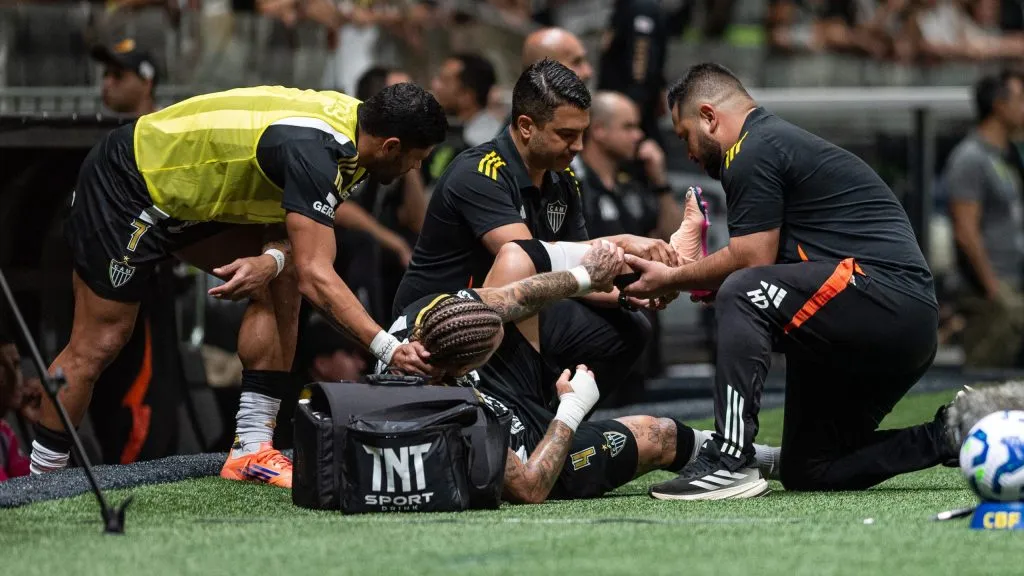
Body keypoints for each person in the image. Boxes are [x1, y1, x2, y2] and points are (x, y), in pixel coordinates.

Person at [30, 83, 448, 489]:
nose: (415, 170)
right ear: (391, 146)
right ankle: (39, 481)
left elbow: (291, 228)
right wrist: (389, 349)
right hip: (130, 185)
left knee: (281, 277)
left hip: (195, 200)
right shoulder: (318, 151)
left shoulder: (357, 138)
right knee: (99, 342)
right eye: (416, 160)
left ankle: (251, 450)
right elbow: (317, 276)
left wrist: (272, 258)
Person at [622, 63, 958, 499]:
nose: (685, 150)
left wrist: (674, 276)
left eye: (684, 133)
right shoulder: (772, 144)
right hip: (889, 323)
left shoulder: (752, 147)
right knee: (811, 467)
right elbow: (770, 266)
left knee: (742, 293)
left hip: (888, 298)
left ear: (709, 116)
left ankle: (729, 459)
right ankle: (949, 432)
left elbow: (751, 260)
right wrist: (696, 280)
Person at [378, 240, 779, 503]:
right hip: (526, 449)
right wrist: (572, 408)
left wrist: (590, 276)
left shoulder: (433, 313)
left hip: (498, 386)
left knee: (515, 258)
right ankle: (774, 461)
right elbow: (529, 487)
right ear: (466, 368)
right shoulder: (461, 419)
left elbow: (512, 297)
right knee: (661, 435)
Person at [394, 59, 677, 403]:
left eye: (582, 134)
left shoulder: (564, 180)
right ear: (526, 126)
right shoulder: (480, 172)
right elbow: (527, 262)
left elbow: (577, 275)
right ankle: (524, 417)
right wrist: (622, 243)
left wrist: (632, 294)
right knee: (528, 288)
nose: (579, 147)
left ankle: (553, 420)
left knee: (631, 327)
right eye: (566, 135)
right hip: (440, 321)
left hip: (516, 310)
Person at [945, 70, 1024, 368]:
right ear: (999, 105)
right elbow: (965, 230)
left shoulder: (1008, 156)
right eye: (1020, 98)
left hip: (1013, 283)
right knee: (986, 376)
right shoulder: (970, 158)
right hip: (989, 291)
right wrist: (993, 289)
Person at [425, 54, 502, 185]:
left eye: (445, 81)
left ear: (467, 95)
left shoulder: (482, 146)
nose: (435, 85)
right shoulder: (451, 135)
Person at [90, 38, 158, 117]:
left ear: (146, 84)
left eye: (118, 75)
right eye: (105, 74)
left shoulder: (167, 127)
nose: (107, 83)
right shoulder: (101, 126)